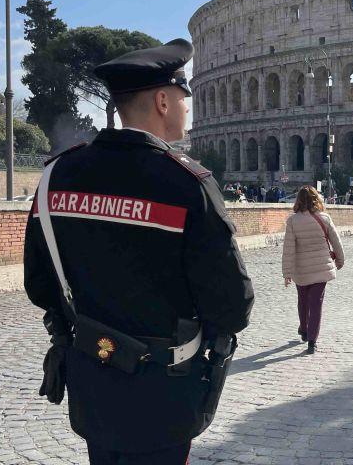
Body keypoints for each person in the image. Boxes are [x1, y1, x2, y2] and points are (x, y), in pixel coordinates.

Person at [23, 39, 255, 464]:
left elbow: (39, 283)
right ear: (163, 101)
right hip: (164, 392)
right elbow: (232, 305)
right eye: (185, 98)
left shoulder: (56, 175)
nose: (189, 108)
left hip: (92, 378)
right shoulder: (187, 184)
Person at [282, 186, 345, 354]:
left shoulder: (293, 221)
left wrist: (287, 273)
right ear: (316, 199)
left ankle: (304, 329)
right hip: (321, 268)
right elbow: (336, 242)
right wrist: (340, 259)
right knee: (316, 303)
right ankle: (312, 340)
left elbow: (288, 249)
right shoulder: (324, 218)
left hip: (301, 269)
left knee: (303, 300)